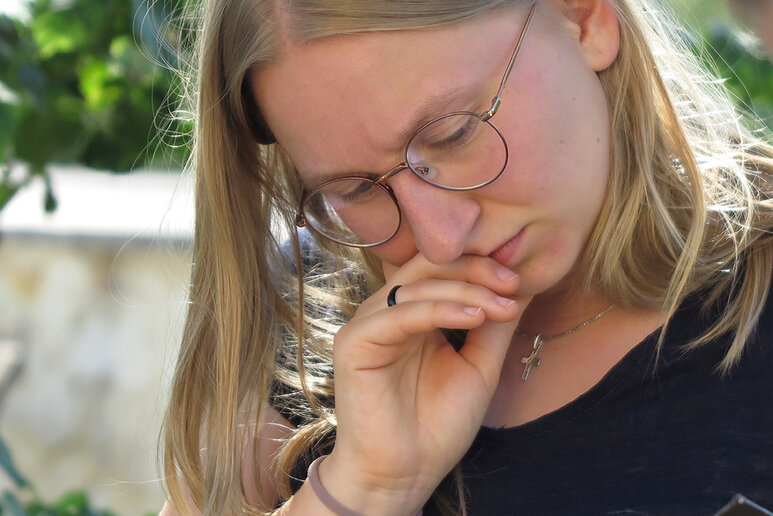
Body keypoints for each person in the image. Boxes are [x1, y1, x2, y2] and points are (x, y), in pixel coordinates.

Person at [159, 0, 773, 514]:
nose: (442, 238)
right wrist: (365, 490)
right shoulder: (304, 310)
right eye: (354, 189)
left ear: (583, 19)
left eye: (454, 134)